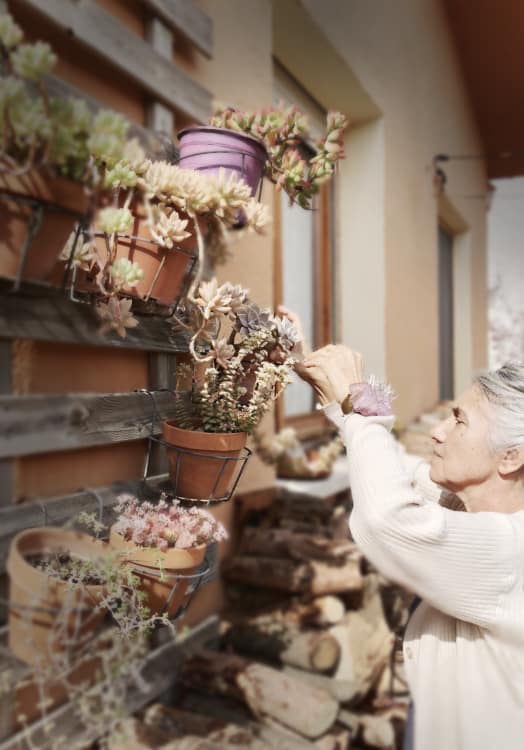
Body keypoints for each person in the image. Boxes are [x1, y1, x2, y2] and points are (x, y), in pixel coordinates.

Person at [297, 345, 524, 750]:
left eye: (459, 420)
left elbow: (389, 518)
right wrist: (340, 394)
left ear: (511, 457)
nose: (438, 431)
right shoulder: (466, 507)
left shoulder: (510, 553)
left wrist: (360, 400)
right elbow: (396, 468)